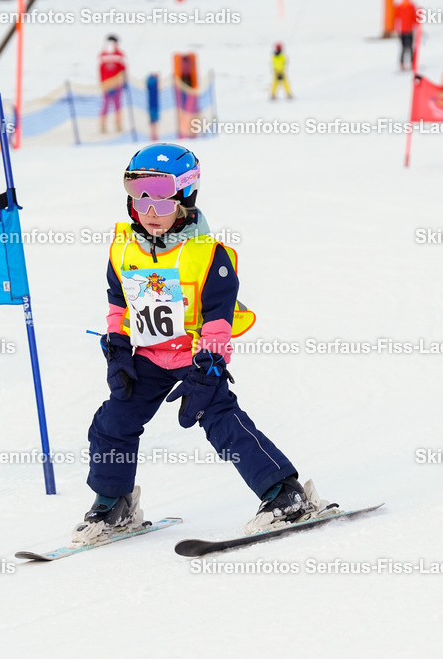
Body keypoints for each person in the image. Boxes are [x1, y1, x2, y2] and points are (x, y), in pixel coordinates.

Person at [72, 143, 319, 545]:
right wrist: (117, 350)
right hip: (149, 356)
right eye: (138, 197)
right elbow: (118, 304)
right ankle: (114, 503)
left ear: (186, 197)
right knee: (112, 422)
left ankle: (283, 493)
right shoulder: (122, 249)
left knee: (220, 418)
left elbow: (219, 321)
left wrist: (208, 368)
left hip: (196, 355)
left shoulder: (208, 255)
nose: (149, 212)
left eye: (162, 201)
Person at [98, 34, 127, 134]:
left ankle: (107, 125)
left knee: (108, 105)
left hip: (108, 84)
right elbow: (123, 70)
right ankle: (112, 125)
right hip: (114, 84)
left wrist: (102, 83)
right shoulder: (119, 54)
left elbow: (100, 70)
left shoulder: (103, 54)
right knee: (115, 105)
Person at [394, 0, 417, 72]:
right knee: (410, 47)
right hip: (409, 30)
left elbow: (396, 18)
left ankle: (402, 64)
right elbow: (415, 18)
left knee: (403, 48)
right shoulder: (411, 6)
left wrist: (396, 29)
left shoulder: (399, 6)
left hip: (402, 31)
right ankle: (411, 63)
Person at [146, 73, 160, 140]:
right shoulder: (152, 83)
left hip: (153, 105)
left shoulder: (151, 83)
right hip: (152, 106)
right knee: (153, 121)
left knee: (153, 121)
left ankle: (154, 135)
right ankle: (153, 135)